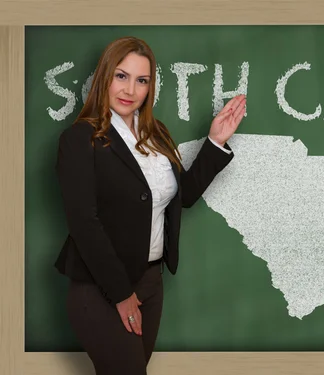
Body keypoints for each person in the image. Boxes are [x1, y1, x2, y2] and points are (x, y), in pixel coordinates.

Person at [53, 36, 246, 375]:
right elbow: (84, 223)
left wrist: (216, 141)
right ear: (105, 78)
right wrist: (121, 294)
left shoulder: (156, 134)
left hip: (150, 282)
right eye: (121, 76)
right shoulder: (80, 139)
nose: (130, 89)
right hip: (103, 287)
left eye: (142, 80)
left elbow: (182, 196)